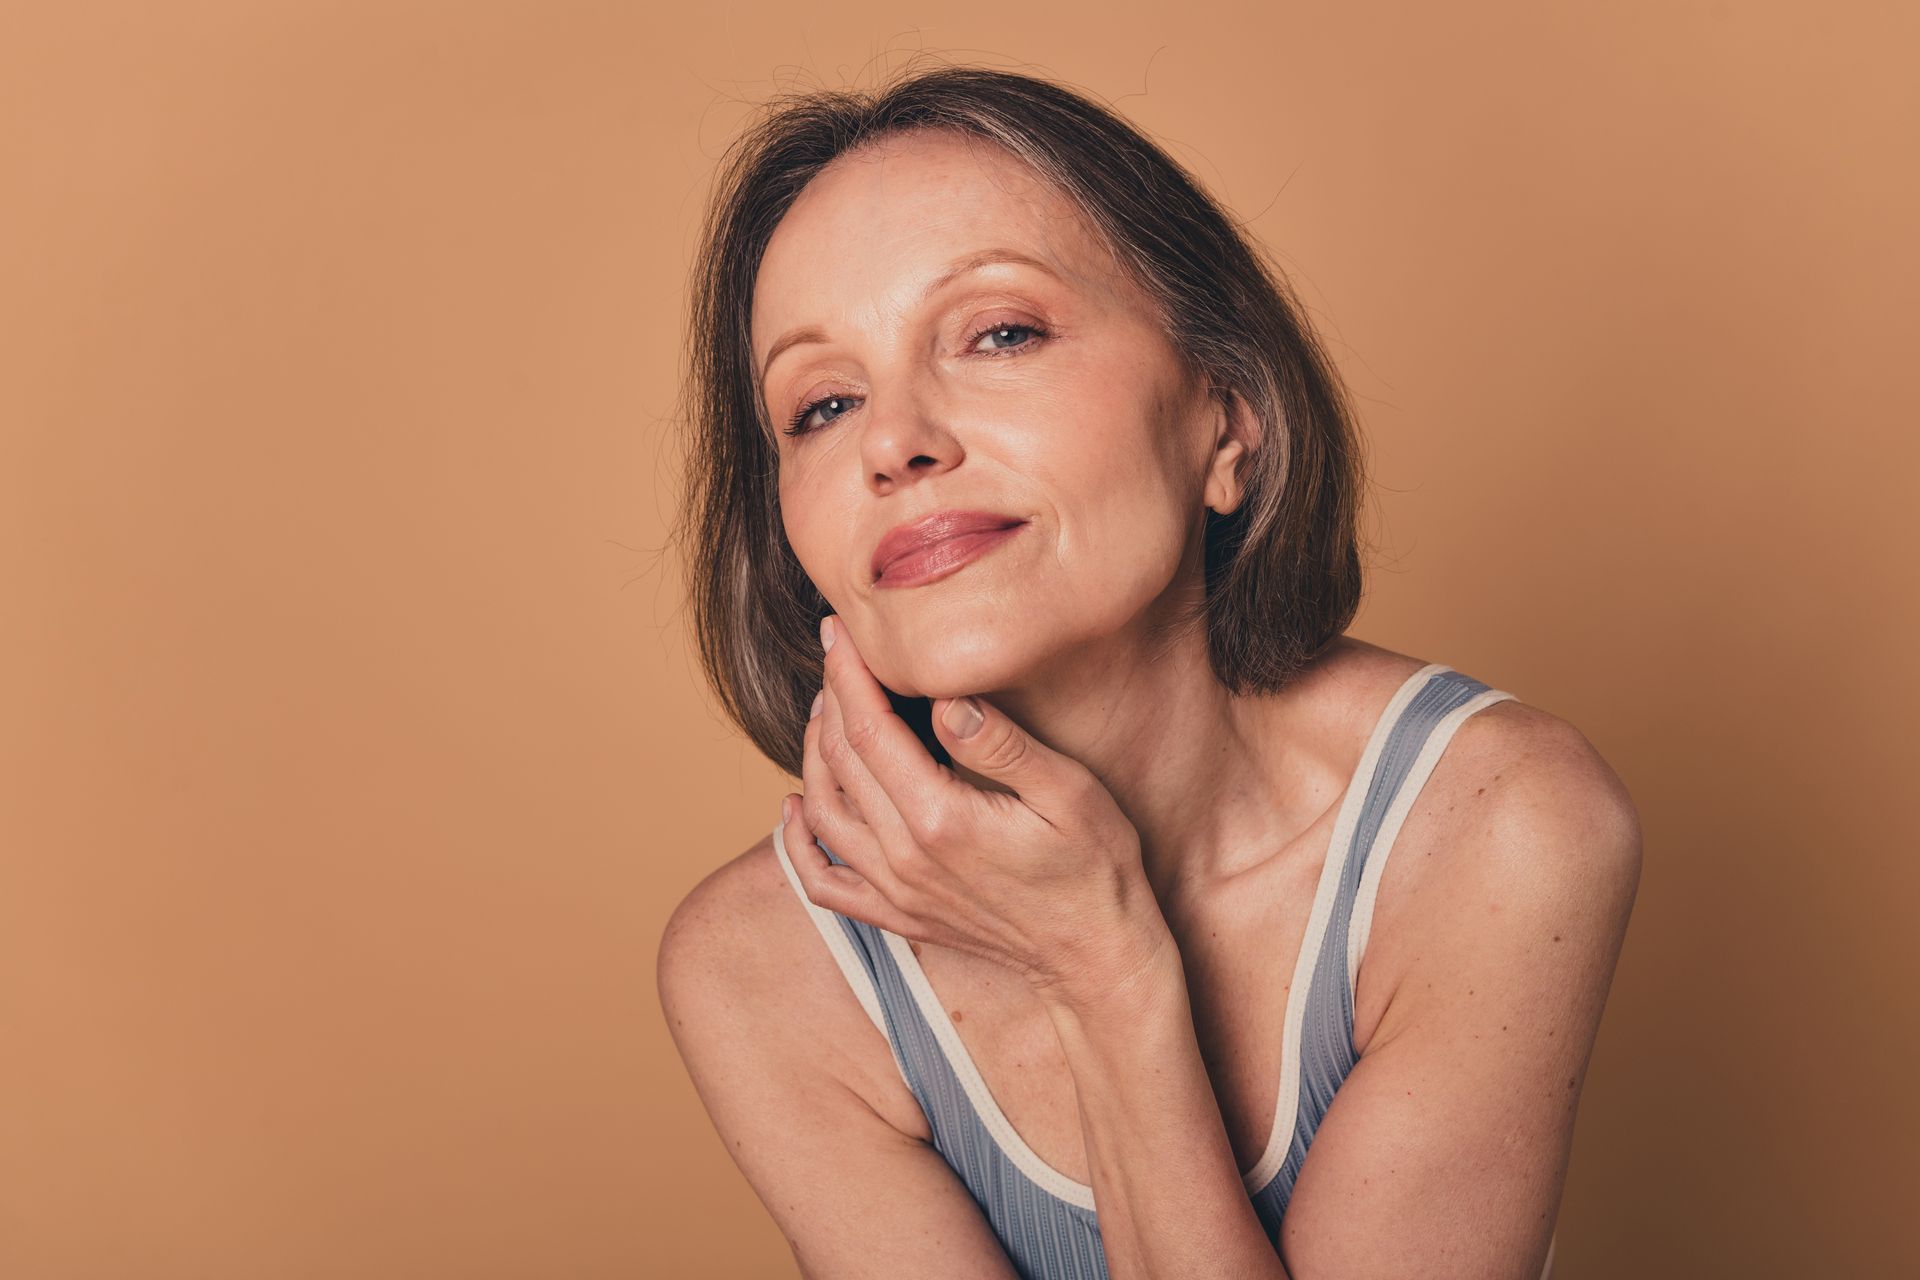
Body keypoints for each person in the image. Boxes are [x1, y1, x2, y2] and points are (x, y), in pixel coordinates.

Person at [656, 63, 1640, 1280]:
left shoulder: (1498, 829)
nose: (895, 442)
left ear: (1224, 417)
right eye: (821, 404)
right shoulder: (762, 968)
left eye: (999, 332)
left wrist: (1104, 969)